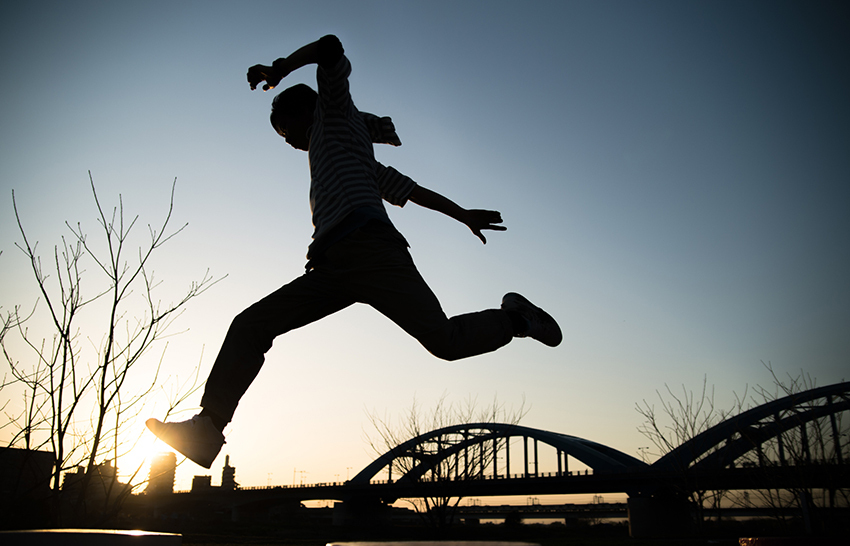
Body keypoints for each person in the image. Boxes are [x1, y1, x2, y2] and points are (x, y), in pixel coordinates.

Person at [146, 35, 561, 469]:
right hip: (331, 269)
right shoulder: (354, 153)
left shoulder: (334, 116)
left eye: (286, 129)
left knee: (445, 342)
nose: (287, 142)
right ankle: (208, 428)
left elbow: (329, 45)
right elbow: (413, 191)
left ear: (307, 110)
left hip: (372, 252)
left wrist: (280, 68)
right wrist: (462, 214)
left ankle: (517, 318)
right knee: (250, 325)